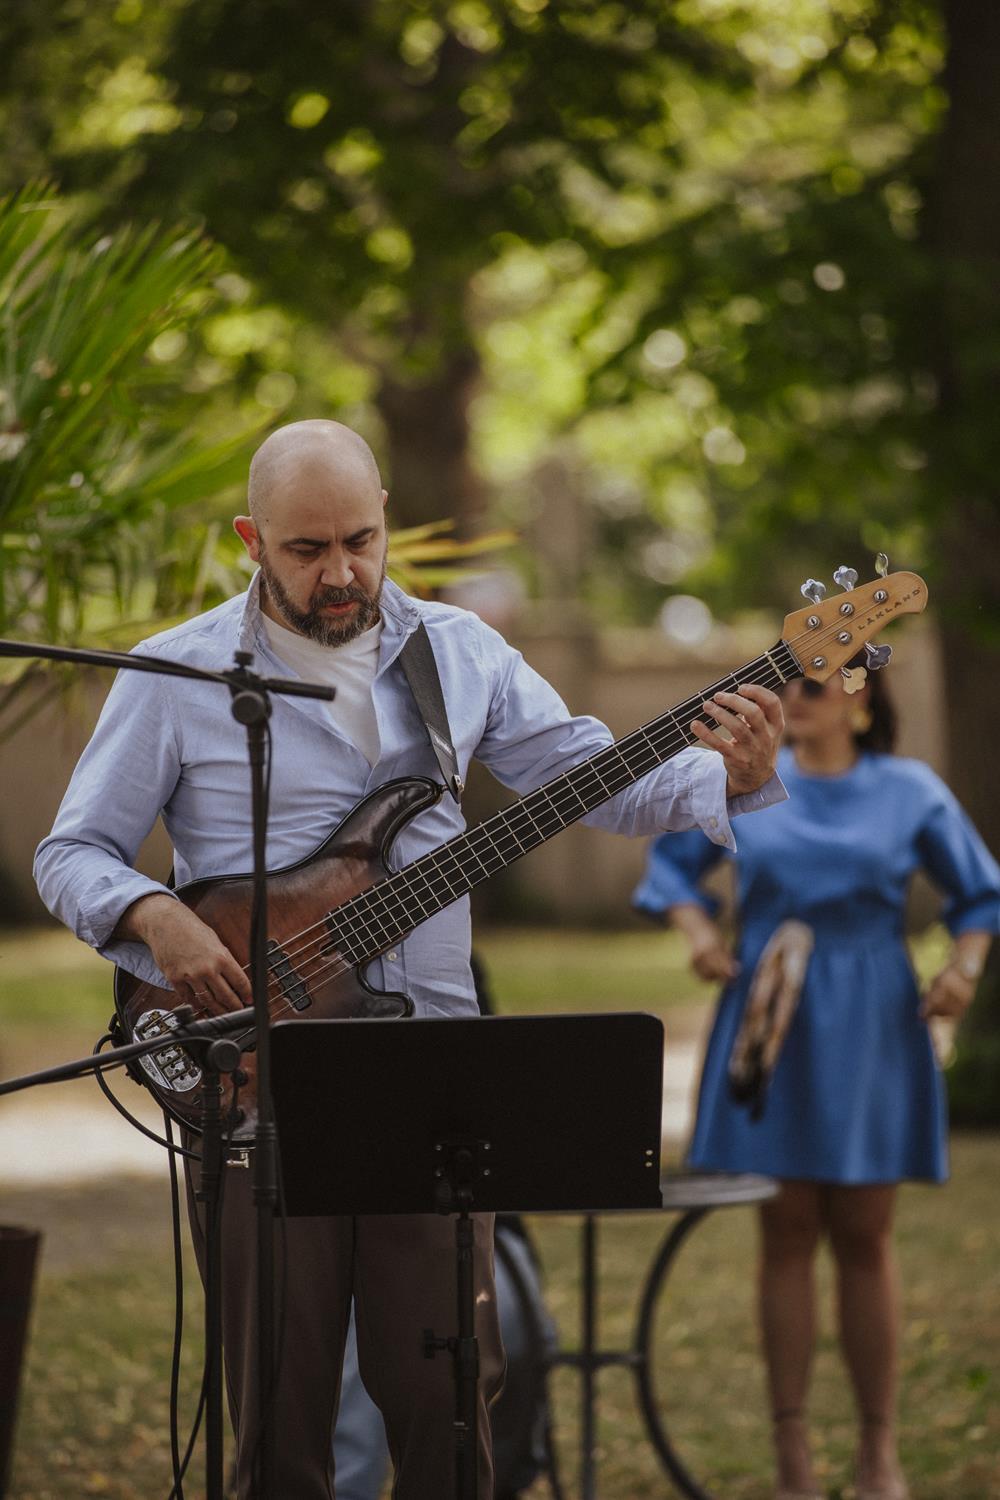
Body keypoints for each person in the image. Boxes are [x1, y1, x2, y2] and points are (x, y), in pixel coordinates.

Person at [34, 418, 784, 1500]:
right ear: (251, 539)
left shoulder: (459, 653)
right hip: (258, 1088)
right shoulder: (177, 672)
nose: (341, 573)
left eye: (361, 541)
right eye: (307, 550)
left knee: (448, 1406)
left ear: (385, 523)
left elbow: (591, 776)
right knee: (278, 1425)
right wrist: (156, 916)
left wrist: (733, 780)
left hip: (435, 1085)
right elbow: (71, 852)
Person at [633, 668, 1000, 1500]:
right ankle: (792, 1456)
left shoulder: (910, 789)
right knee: (786, 1231)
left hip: (873, 1018)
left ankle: (879, 1453)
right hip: (772, 1017)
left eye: (814, 684)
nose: (793, 697)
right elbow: (671, 872)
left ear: (861, 697)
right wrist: (698, 935)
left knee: (866, 1232)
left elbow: (980, 895)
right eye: (784, 683)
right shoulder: (746, 780)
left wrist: (964, 970)